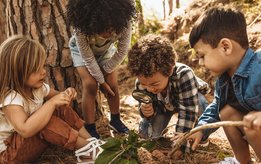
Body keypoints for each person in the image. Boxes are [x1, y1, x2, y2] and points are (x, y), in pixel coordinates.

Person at [0, 35, 104, 163]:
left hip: (27, 145)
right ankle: (88, 150)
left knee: (59, 108)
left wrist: (66, 94)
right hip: (9, 155)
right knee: (45, 122)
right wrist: (51, 103)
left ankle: (91, 141)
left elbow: (59, 98)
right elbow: (25, 130)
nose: (43, 72)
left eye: (43, 66)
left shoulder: (38, 88)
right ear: (17, 72)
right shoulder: (11, 99)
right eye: (35, 70)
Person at [188, 7, 261, 163]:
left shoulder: (259, 66)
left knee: (254, 126)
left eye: (202, 55)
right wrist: (201, 129)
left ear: (225, 47)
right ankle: (242, 161)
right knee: (227, 112)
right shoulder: (224, 80)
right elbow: (216, 107)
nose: (200, 63)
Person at [127, 34, 209, 158]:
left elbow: (187, 112)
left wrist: (179, 145)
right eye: (145, 84)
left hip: (187, 102)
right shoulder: (141, 82)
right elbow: (144, 106)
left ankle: (201, 136)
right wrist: (146, 112)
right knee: (148, 137)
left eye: (154, 83)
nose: (149, 88)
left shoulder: (184, 75)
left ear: (169, 70)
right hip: (162, 108)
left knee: (201, 103)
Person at [66, 0, 136, 139]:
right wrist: (100, 82)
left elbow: (122, 52)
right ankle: (90, 127)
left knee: (112, 85)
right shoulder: (81, 28)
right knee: (90, 85)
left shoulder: (124, 23)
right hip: (82, 53)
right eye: (102, 29)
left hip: (106, 52)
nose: (107, 33)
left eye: (110, 29)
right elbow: (88, 59)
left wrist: (105, 75)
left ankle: (115, 120)